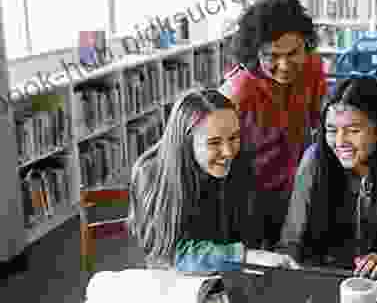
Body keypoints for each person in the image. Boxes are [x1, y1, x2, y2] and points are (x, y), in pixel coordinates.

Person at [277, 76, 377, 278]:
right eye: (332, 130)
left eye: (353, 130)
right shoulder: (315, 159)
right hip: (321, 278)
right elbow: (291, 239)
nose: (340, 141)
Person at [127, 88, 299, 272]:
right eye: (214, 143)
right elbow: (167, 255)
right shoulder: (149, 174)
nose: (228, 152)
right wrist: (245, 256)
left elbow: (249, 233)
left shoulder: (239, 160)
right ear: (186, 141)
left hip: (227, 275)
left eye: (234, 138)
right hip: (173, 282)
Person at [219, 0, 328, 249]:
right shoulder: (237, 91)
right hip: (250, 201)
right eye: (271, 56)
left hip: (298, 191)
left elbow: (321, 121)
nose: (284, 65)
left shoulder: (312, 66)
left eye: (293, 53)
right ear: (254, 53)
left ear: (307, 45)